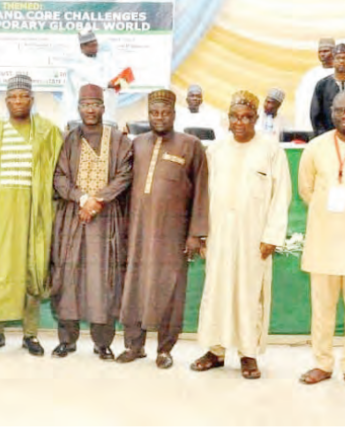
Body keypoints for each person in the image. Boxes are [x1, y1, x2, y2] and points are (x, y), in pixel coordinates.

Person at [192, 90, 291, 379]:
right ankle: (216, 350)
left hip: (254, 236)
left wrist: (272, 235)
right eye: (235, 117)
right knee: (217, 290)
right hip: (219, 234)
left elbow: (281, 195)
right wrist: (201, 234)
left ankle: (248, 354)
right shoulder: (216, 150)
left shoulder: (271, 150)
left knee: (249, 294)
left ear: (256, 119)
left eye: (247, 117)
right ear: (228, 119)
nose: (240, 122)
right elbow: (202, 195)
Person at [118, 89, 209, 369]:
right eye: (154, 113)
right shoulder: (137, 144)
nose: (159, 118)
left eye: (165, 113)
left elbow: (202, 192)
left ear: (174, 114)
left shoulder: (190, 145)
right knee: (134, 286)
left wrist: (196, 233)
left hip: (173, 232)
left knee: (170, 287)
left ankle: (165, 349)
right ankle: (134, 345)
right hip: (138, 231)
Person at [0, 74, 63, 356]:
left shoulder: (48, 131)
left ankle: (31, 334)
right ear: (6, 100)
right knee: (0, 269)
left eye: (23, 96)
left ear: (32, 100)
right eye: (13, 97)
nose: (18, 102)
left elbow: (57, 172)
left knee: (31, 268)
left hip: (34, 210)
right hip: (0, 211)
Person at [50, 84, 132, 360]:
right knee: (68, 277)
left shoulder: (119, 140)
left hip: (106, 221)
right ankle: (67, 340)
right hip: (73, 219)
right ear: (79, 108)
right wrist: (82, 198)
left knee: (103, 281)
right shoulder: (69, 140)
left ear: (103, 107)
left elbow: (124, 175)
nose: (90, 110)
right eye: (85, 105)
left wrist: (97, 201)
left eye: (95, 104)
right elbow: (59, 176)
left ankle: (102, 342)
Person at [297, 90, 345, 385]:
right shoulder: (315, 148)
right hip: (324, 241)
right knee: (322, 310)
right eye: (339, 110)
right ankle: (322, 364)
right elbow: (307, 190)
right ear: (331, 112)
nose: (344, 116)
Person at [63, 30, 119, 128]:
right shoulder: (75, 65)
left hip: (104, 113)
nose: (95, 48)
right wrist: (107, 84)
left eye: (96, 45)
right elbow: (85, 86)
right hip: (82, 115)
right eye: (92, 45)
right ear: (82, 47)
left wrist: (118, 83)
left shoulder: (102, 60)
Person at [296, 38, 334, 131]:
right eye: (320, 52)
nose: (322, 54)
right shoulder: (311, 75)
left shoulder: (340, 73)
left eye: (326, 51)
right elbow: (303, 102)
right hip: (315, 124)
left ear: (334, 52)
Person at [311, 43, 345, 137]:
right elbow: (315, 116)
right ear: (333, 61)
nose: (342, 61)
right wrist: (324, 137)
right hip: (328, 137)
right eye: (338, 58)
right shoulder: (322, 85)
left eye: (344, 58)